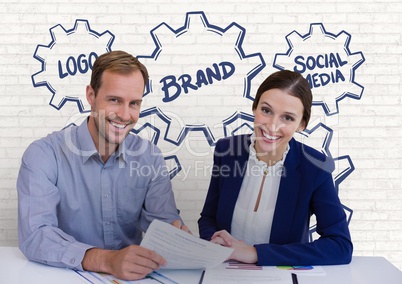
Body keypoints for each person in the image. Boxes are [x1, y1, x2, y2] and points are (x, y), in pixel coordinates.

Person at [17, 50, 189, 280]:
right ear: (91, 95)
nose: (125, 115)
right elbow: (35, 235)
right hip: (63, 276)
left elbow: (162, 221)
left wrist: (176, 234)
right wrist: (106, 260)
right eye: (114, 100)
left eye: (134, 103)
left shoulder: (150, 156)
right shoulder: (44, 154)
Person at [198, 70, 353, 266]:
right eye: (266, 110)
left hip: (281, 274)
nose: (272, 126)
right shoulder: (226, 151)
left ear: (301, 124)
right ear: (255, 108)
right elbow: (208, 217)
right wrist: (214, 243)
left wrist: (256, 253)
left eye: (287, 118)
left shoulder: (315, 167)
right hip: (225, 271)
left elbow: (340, 246)